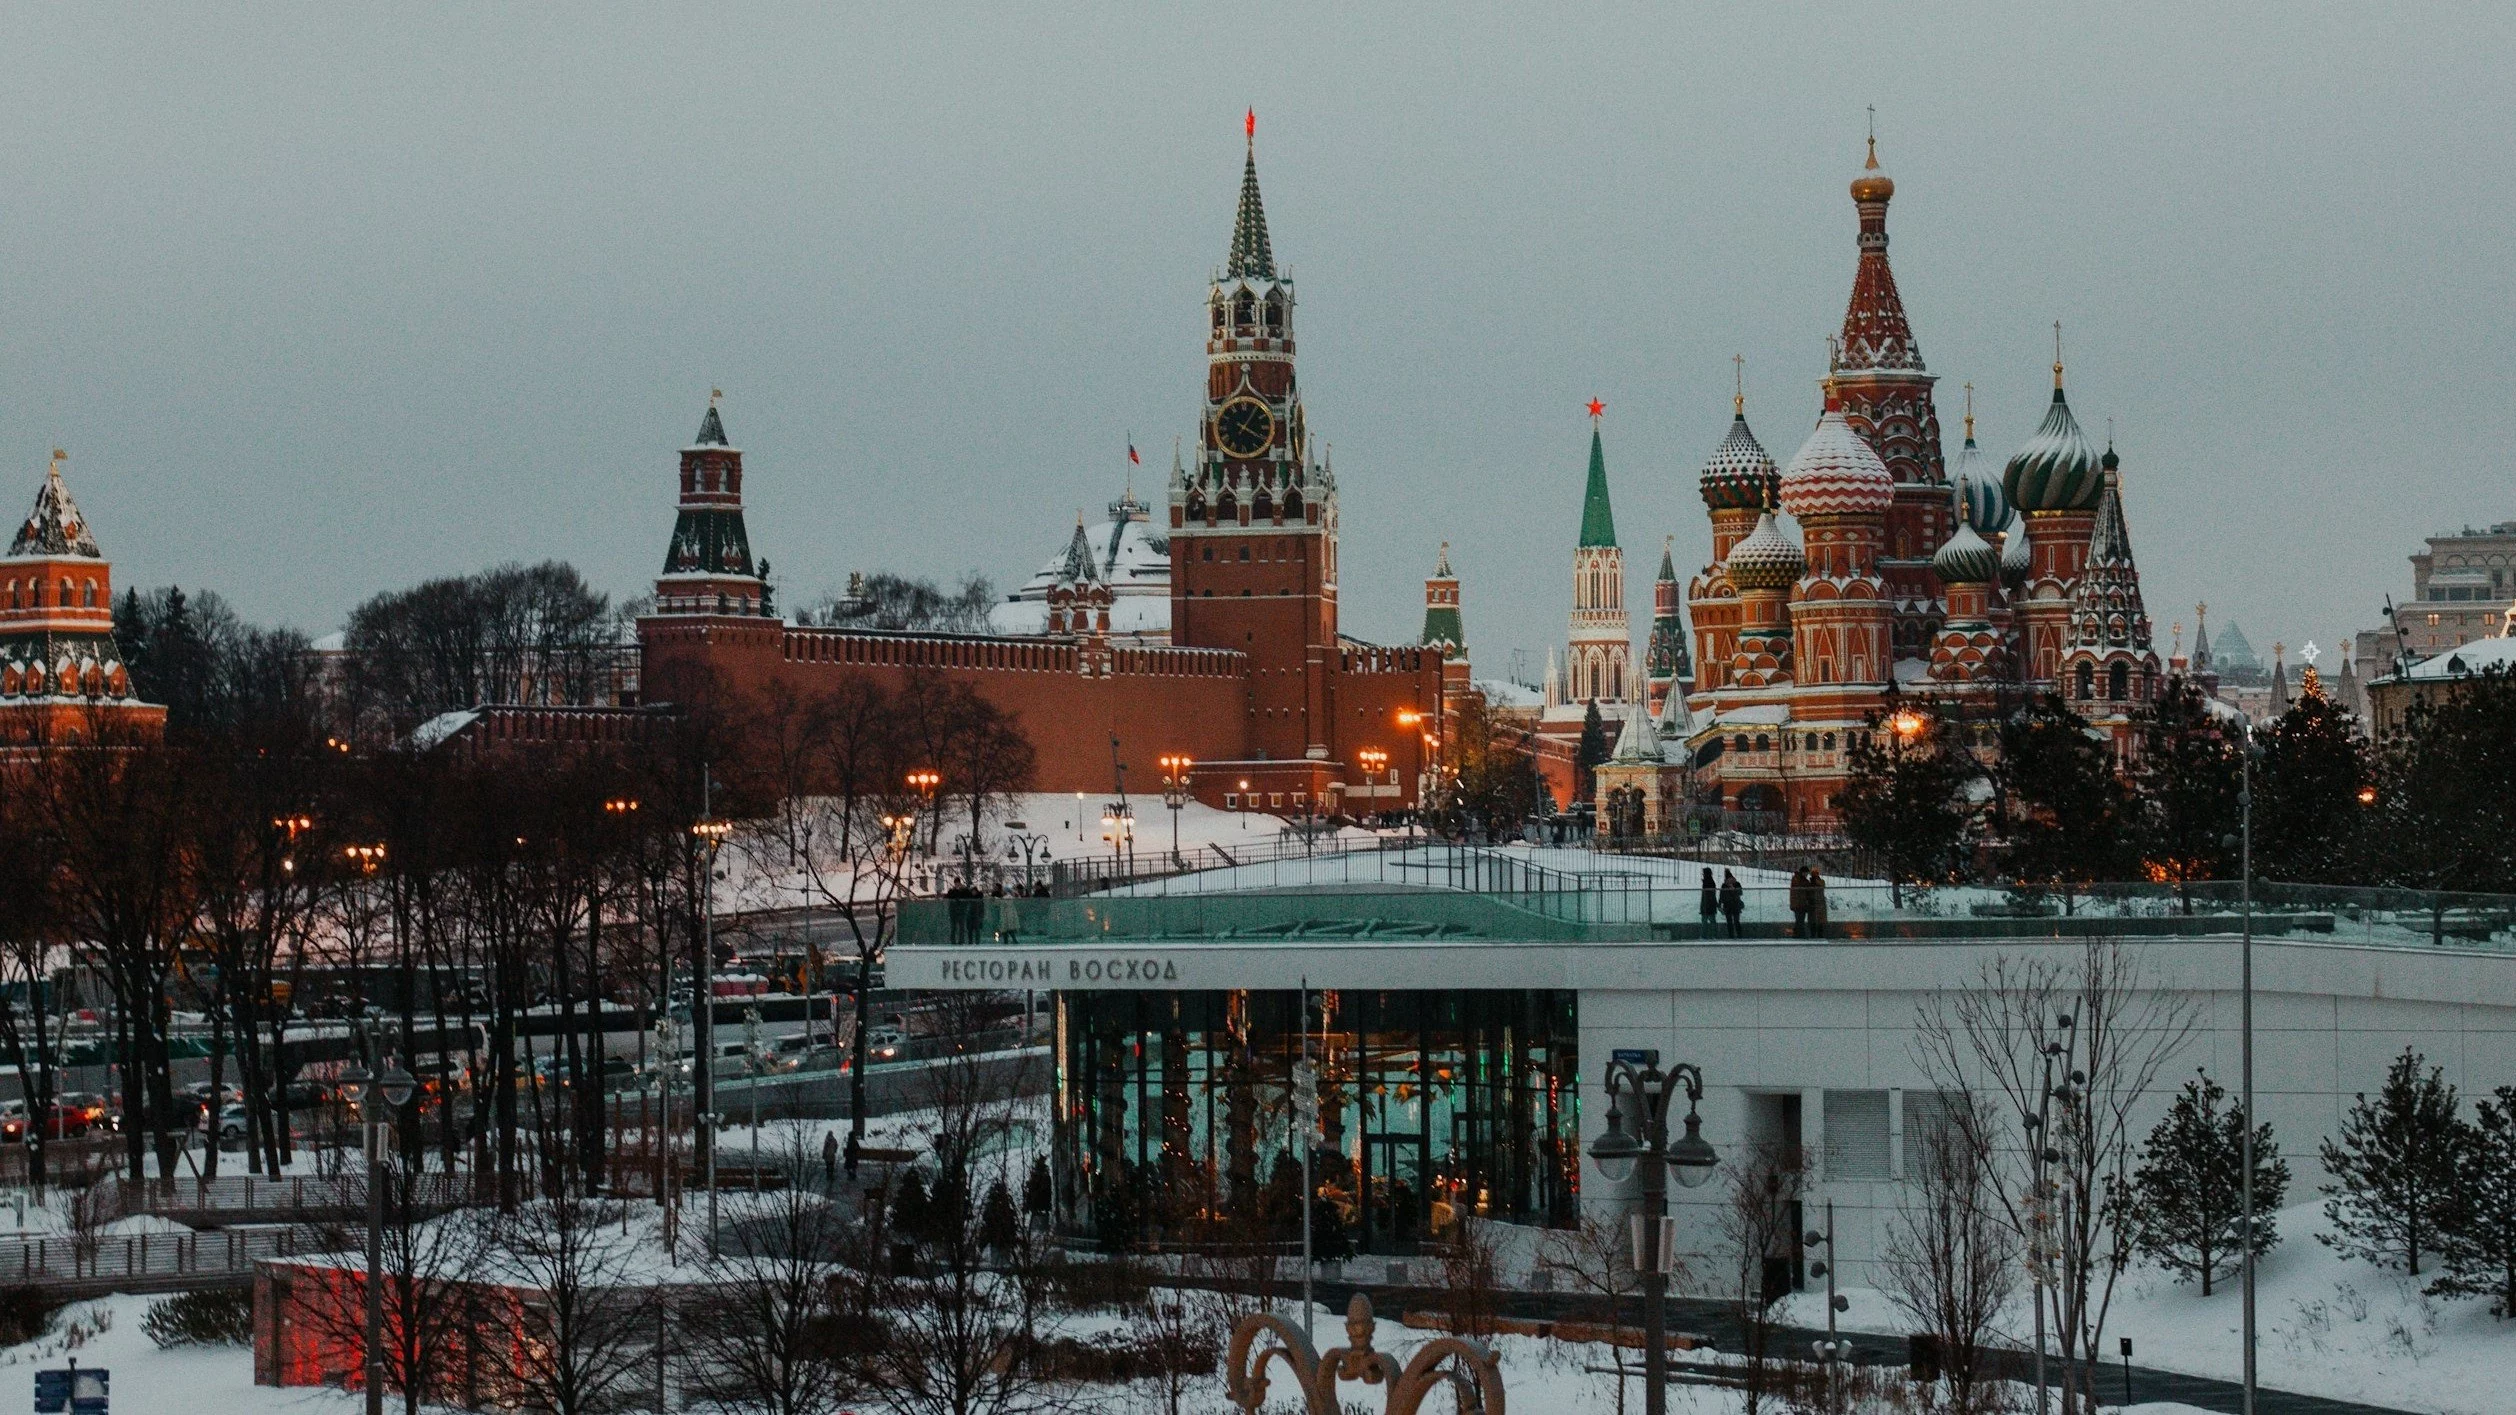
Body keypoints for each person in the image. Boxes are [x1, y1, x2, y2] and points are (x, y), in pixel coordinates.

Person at [1788, 865, 1812, 938]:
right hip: (1799, 904)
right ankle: (1799, 934)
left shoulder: (1798, 879)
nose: (1807, 875)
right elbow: (1803, 887)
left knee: (1799, 919)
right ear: (1803, 872)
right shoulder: (1798, 879)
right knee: (1800, 920)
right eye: (1806, 873)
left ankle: (1797, 934)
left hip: (1800, 904)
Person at [1719, 870, 1745, 937]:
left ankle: (1733, 935)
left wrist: (1734, 889)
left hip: (1729, 905)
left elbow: (1721, 896)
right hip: (1733, 905)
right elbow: (1740, 893)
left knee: (1732, 922)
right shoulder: (1734, 884)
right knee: (1734, 921)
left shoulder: (1726, 885)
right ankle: (1737, 935)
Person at [1808, 866, 1829, 940]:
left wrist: (1815, 881)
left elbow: (1821, 886)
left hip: (1819, 904)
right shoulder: (1810, 883)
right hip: (1813, 904)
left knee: (1819, 922)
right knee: (1813, 921)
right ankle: (1814, 935)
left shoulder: (1820, 881)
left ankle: (1819, 935)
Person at [1698, 868, 1719, 933]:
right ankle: (1713, 935)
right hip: (1710, 905)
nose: (1703, 874)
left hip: (1706, 905)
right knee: (1712, 921)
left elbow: (1708, 895)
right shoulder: (1711, 882)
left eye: (1703, 873)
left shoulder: (1707, 882)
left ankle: (1705, 935)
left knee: (1705, 922)